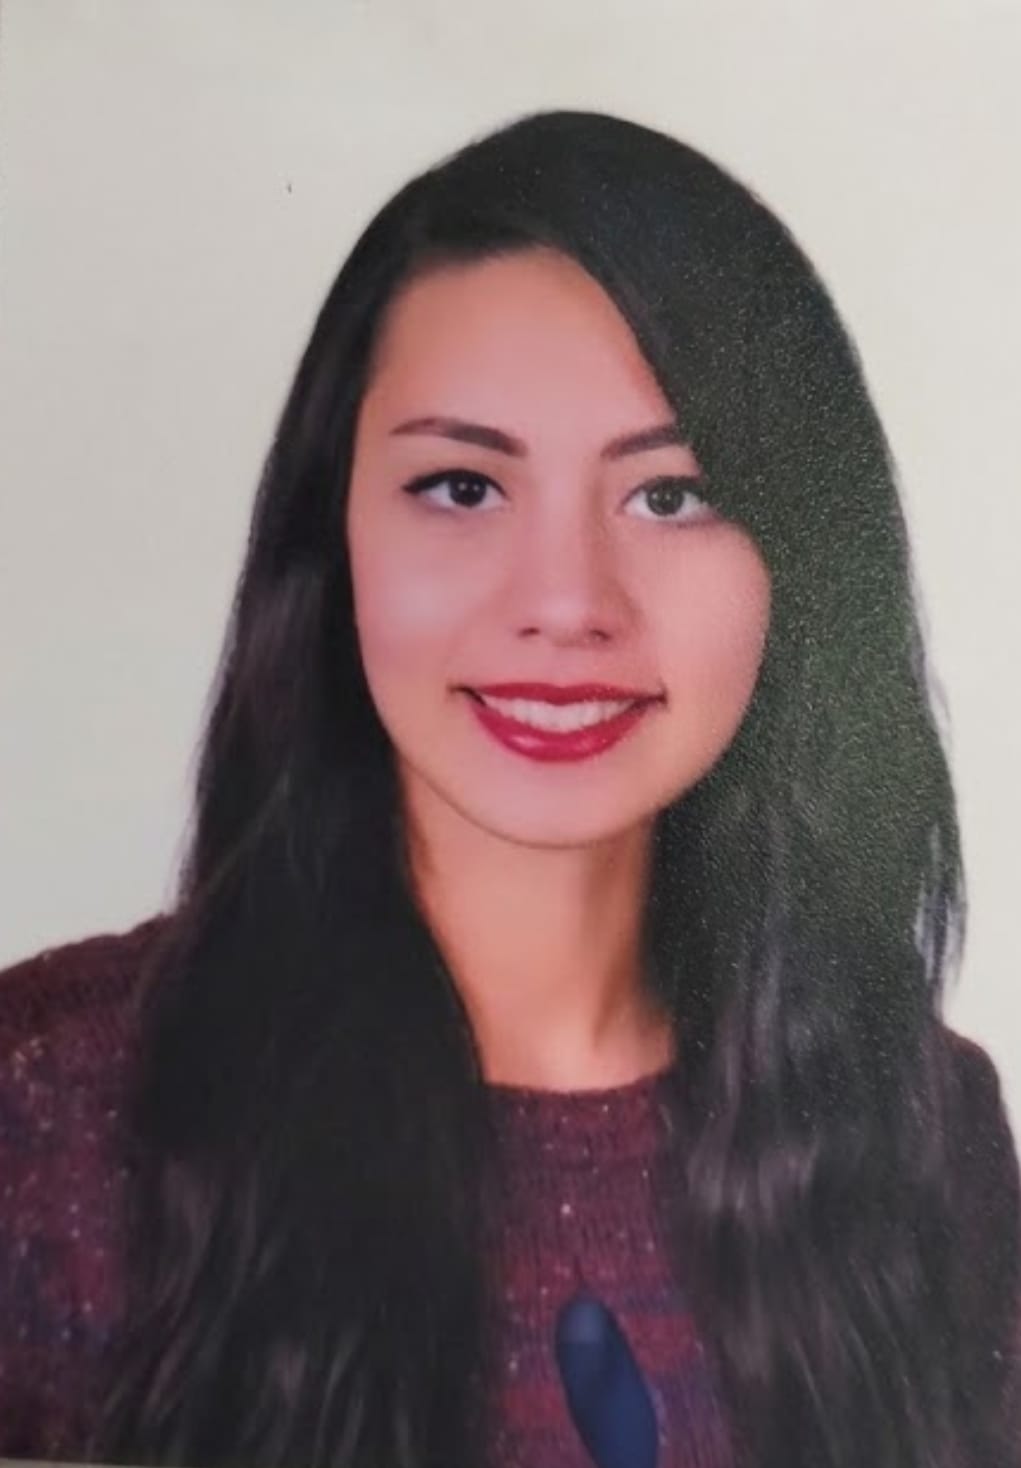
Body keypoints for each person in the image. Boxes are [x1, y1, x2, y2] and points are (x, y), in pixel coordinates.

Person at [0, 108, 1017, 1468]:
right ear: (332, 538)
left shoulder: (923, 1131)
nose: (565, 602)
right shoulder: (48, 1107)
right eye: (463, 486)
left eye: (671, 495)